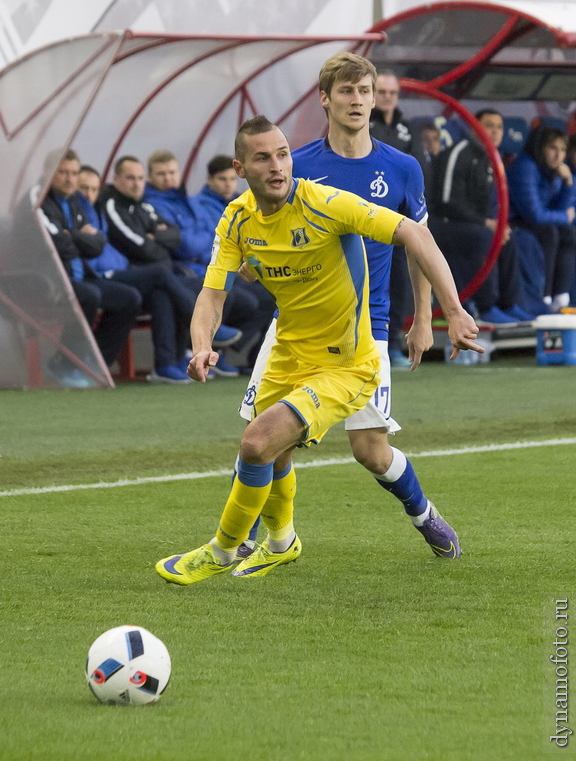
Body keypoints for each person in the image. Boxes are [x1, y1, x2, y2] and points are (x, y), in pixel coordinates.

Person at [155, 115, 482, 585]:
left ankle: (223, 551)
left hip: (347, 361)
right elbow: (212, 294)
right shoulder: (237, 218)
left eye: (283, 154)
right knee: (273, 451)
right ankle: (281, 544)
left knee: (264, 443)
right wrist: (202, 347)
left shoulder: (326, 203)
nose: (277, 166)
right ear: (240, 166)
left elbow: (416, 233)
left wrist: (451, 310)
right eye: (263, 158)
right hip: (289, 350)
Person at [237, 52, 463, 562]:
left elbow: (418, 244)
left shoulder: (402, 168)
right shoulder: (297, 165)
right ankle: (273, 539)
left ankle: (424, 514)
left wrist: (424, 318)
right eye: (347, 92)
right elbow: (261, 232)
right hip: (296, 327)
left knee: (371, 451)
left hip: (367, 328)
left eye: (366, 91)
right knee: (269, 439)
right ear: (326, 99)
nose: (359, 100)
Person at [94, 157, 242, 382]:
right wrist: (157, 242)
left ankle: (169, 363)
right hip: (124, 275)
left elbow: (175, 235)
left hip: (155, 275)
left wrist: (158, 238)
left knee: (181, 288)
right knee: (161, 275)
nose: (136, 183)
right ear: (115, 180)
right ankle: (207, 330)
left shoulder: (143, 205)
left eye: (140, 178)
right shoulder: (113, 204)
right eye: (130, 178)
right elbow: (139, 246)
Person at [144, 149, 275, 372]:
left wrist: (195, 239)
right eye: (161, 173)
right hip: (189, 270)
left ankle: (242, 351)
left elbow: (214, 238)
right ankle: (211, 348)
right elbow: (191, 243)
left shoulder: (188, 200)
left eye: (172, 172)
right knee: (230, 297)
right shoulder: (158, 203)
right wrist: (202, 240)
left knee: (271, 294)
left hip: (212, 265)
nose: (168, 178)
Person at [36, 150, 142, 379]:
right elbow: (56, 244)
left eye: (74, 173)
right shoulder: (36, 201)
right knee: (89, 295)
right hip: (47, 280)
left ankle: (96, 364)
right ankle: (64, 364)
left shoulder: (74, 201)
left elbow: (96, 245)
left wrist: (71, 235)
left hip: (80, 276)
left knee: (129, 298)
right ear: (47, 172)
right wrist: (80, 236)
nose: (70, 179)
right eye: (63, 172)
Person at [430, 108, 535, 323]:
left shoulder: (491, 157)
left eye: (499, 127)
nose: (495, 131)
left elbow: (489, 204)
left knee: (507, 238)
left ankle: (510, 303)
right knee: (485, 237)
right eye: (489, 125)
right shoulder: (460, 152)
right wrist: (486, 223)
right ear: (474, 127)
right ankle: (486, 306)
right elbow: (447, 201)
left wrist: (496, 225)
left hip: (472, 223)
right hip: (443, 223)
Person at [192, 154, 277, 373]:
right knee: (234, 297)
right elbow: (210, 244)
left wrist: (258, 264)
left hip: (241, 268)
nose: (228, 184)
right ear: (209, 180)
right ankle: (222, 351)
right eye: (222, 179)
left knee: (276, 293)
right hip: (210, 270)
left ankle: (254, 355)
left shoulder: (245, 203)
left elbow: (256, 242)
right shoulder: (200, 205)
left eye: (232, 179)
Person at [369, 69, 415, 367]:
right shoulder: (363, 125)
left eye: (392, 93)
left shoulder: (405, 129)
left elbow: (414, 170)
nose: (387, 98)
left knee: (400, 279)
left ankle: (394, 341)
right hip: (367, 218)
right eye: (382, 92)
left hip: (399, 219)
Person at [507, 126, 576, 311]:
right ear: (540, 148)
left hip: (536, 221)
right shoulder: (525, 166)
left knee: (568, 233)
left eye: (562, 150)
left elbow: (561, 210)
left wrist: (569, 184)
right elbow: (533, 213)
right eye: (553, 148)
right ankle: (543, 297)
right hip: (515, 221)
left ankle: (561, 297)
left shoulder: (555, 170)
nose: (558, 155)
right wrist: (564, 217)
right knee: (550, 232)